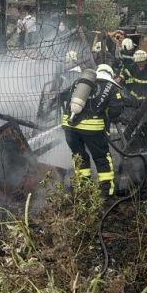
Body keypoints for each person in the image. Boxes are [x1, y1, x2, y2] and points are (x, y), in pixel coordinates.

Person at [61, 64, 124, 197]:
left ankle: (83, 189)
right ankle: (106, 192)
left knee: (79, 156)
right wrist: (104, 113)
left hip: (69, 125)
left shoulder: (79, 81)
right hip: (91, 127)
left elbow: (66, 99)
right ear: (111, 74)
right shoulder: (112, 86)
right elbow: (115, 111)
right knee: (101, 158)